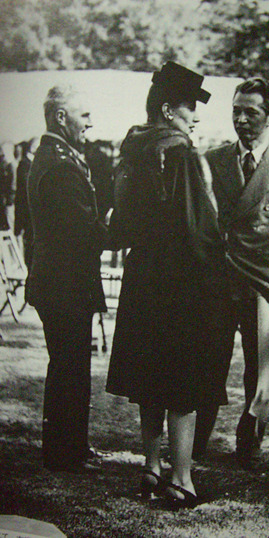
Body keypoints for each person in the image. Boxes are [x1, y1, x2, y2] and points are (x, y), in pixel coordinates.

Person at [106, 61, 228, 508]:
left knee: (148, 375)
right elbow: (200, 228)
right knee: (182, 379)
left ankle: (151, 466)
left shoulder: (132, 149)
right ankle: (182, 480)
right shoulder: (181, 153)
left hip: (143, 276)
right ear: (167, 109)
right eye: (189, 106)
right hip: (181, 279)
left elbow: (119, 225)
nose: (195, 116)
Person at [194, 77, 269, 468]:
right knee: (209, 359)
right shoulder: (212, 160)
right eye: (236, 111)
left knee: (259, 367)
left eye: (251, 112)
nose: (241, 120)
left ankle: (249, 442)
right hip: (219, 278)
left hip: (264, 281)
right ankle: (196, 438)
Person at [26, 85, 108, 473]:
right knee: (68, 366)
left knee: (70, 364)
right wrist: (117, 229)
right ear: (61, 117)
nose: (90, 122)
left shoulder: (55, 157)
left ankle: (71, 446)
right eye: (84, 114)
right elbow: (82, 230)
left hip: (61, 280)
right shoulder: (60, 165)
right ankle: (64, 453)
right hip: (65, 283)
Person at [14, 137, 39, 269]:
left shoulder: (30, 164)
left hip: (30, 213)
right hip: (28, 213)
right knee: (30, 246)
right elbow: (23, 193)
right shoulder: (25, 165)